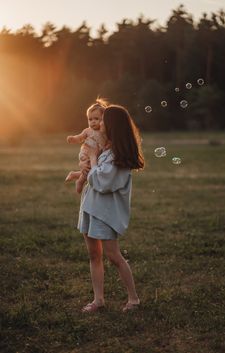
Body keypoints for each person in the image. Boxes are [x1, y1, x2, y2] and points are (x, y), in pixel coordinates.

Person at [78, 104, 145, 313]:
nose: (100, 122)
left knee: (113, 255)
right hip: (90, 208)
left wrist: (92, 158)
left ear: (113, 125)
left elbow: (102, 181)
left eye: (104, 119)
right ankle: (98, 300)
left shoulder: (119, 156)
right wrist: (82, 169)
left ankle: (133, 299)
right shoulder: (106, 149)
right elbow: (92, 174)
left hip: (105, 214)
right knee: (93, 255)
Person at [65, 99, 108, 193]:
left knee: (90, 169)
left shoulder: (104, 133)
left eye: (96, 119)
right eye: (90, 119)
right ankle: (80, 181)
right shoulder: (87, 131)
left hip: (96, 155)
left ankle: (74, 174)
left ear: (104, 120)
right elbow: (80, 137)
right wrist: (73, 139)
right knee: (89, 168)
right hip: (86, 152)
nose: (93, 122)